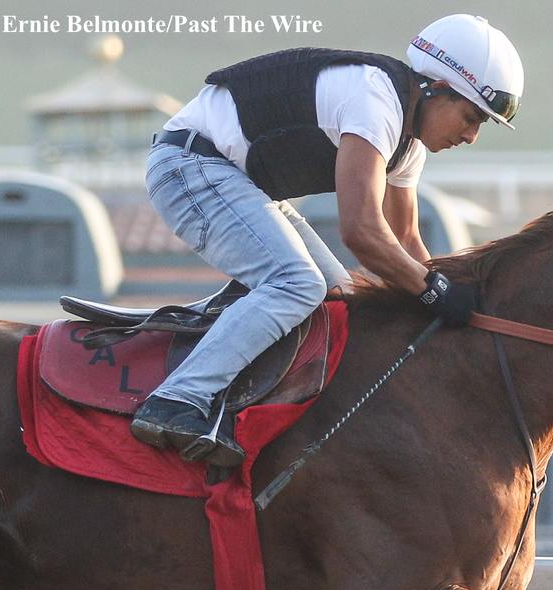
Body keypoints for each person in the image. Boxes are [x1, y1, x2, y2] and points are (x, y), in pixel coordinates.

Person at [131, 14, 525, 461]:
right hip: (188, 165)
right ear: (435, 87)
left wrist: (445, 301)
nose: (472, 136)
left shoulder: (407, 141)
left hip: (238, 181)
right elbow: (362, 233)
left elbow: (406, 241)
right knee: (297, 283)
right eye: (471, 117)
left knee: (338, 301)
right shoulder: (374, 99)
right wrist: (435, 292)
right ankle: (176, 401)